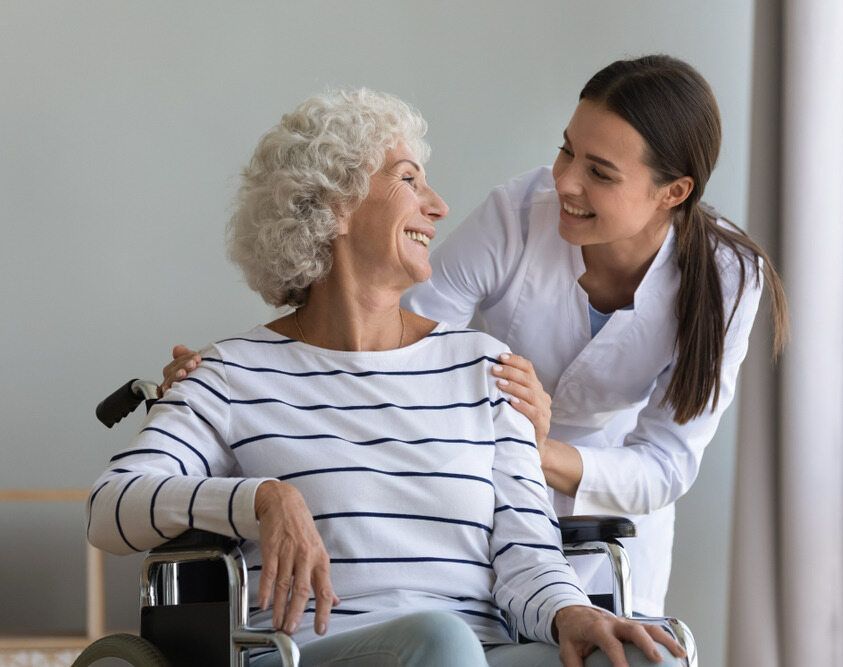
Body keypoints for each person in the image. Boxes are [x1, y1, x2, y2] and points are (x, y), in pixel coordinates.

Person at [162, 55, 789, 617]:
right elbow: (395, 336)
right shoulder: (520, 213)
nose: (565, 182)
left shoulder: (729, 279)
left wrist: (528, 446)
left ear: (671, 193)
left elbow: (666, 463)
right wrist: (224, 388)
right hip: (478, 490)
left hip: (598, 499)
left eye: (599, 172)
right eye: (566, 150)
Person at [88, 89, 685, 666]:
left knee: (640, 657)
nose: (439, 205)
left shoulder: (484, 368)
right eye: (408, 179)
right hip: (318, 652)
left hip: (484, 647)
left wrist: (571, 614)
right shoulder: (229, 373)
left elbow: (527, 554)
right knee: (440, 644)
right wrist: (261, 499)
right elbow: (109, 507)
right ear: (332, 205)